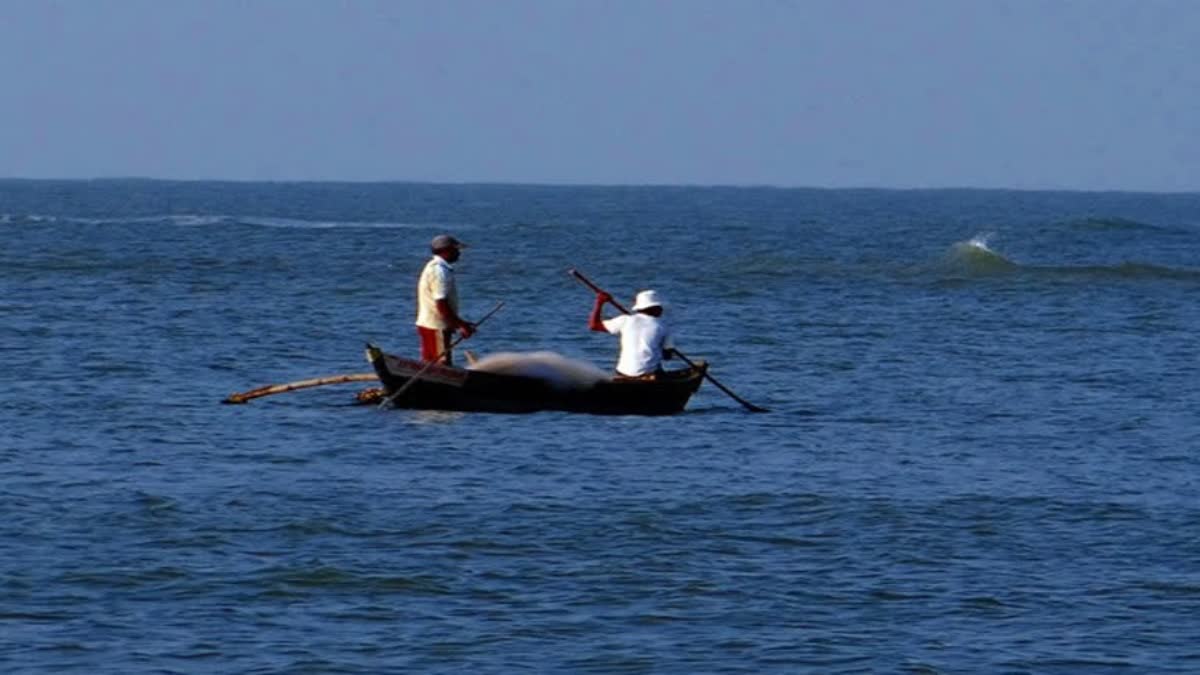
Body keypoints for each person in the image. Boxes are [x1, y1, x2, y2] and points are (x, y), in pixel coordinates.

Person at [415, 234, 475, 365]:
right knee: (440, 364)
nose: (459, 253)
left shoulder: (432, 266)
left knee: (430, 364)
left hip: (429, 323)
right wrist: (460, 325)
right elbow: (441, 303)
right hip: (436, 326)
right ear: (446, 250)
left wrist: (458, 323)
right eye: (456, 249)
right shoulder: (440, 271)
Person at [589, 289, 675, 378]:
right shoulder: (663, 326)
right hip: (649, 373)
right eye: (660, 307)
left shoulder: (625, 320)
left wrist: (599, 303)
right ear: (655, 308)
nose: (661, 310)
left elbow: (594, 325)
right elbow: (667, 357)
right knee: (659, 367)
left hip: (623, 372)